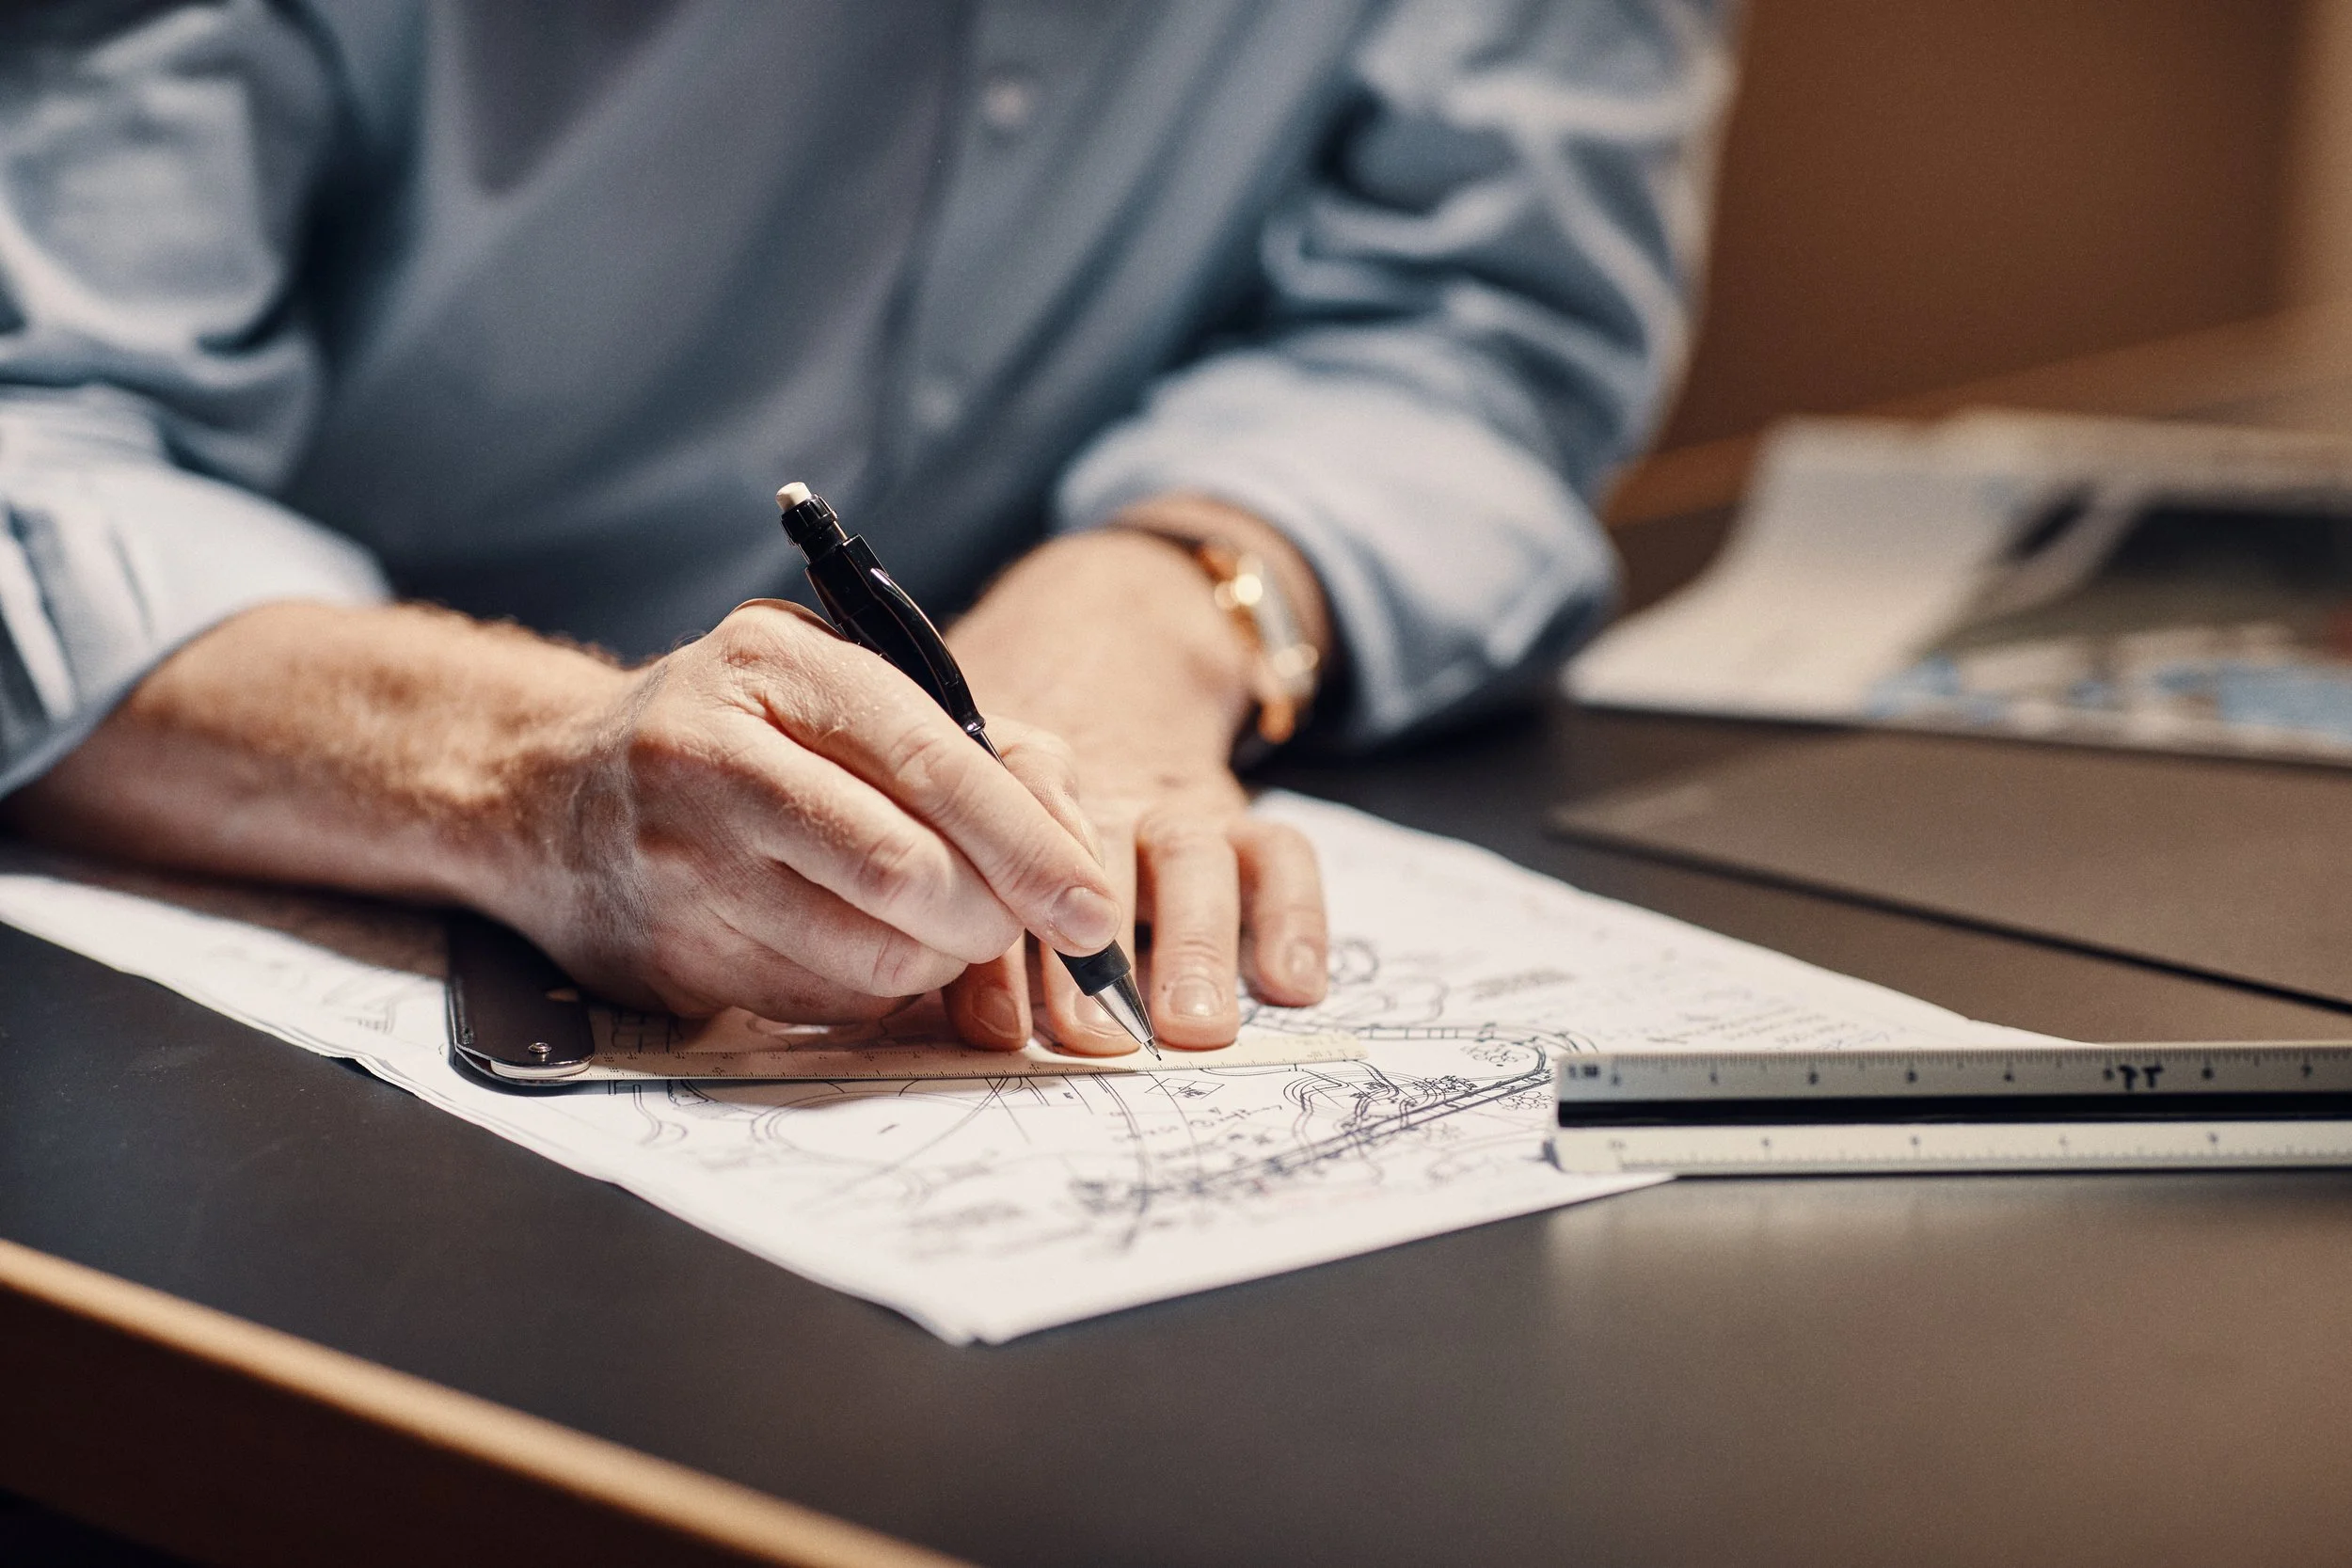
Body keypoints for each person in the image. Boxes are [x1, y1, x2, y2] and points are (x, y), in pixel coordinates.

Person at [0, 0, 1732, 1053]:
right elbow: (39, 443)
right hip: (258, 936)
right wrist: (537, 778)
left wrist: (1160, 596)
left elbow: (1478, 326)